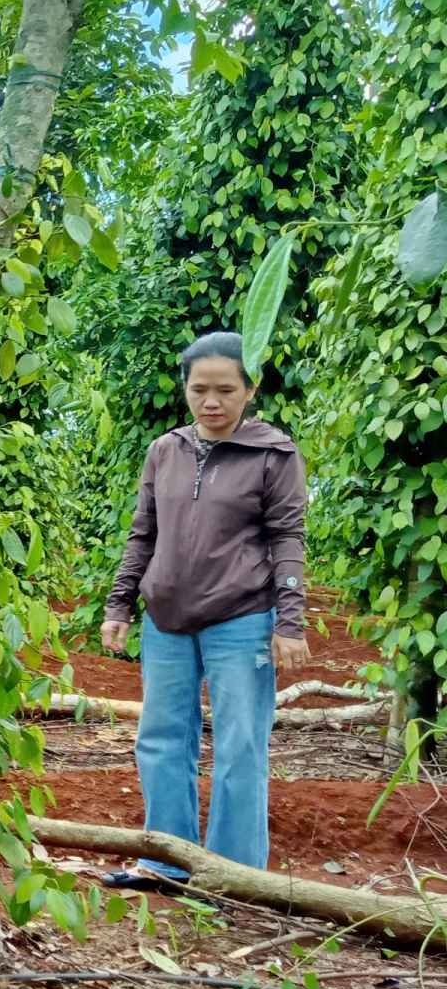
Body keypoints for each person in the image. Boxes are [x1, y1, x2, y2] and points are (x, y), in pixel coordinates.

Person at [98, 330, 312, 890]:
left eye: (224, 390)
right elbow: (143, 533)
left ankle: (232, 878)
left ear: (250, 390)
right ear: (186, 390)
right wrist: (119, 604)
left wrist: (290, 620)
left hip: (241, 619)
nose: (210, 401)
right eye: (199, 390)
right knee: (162, 737)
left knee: (241, 744)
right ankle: (165, 863)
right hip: (165, 620)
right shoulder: (165, 449)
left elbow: (288, 538)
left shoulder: (273, 453)